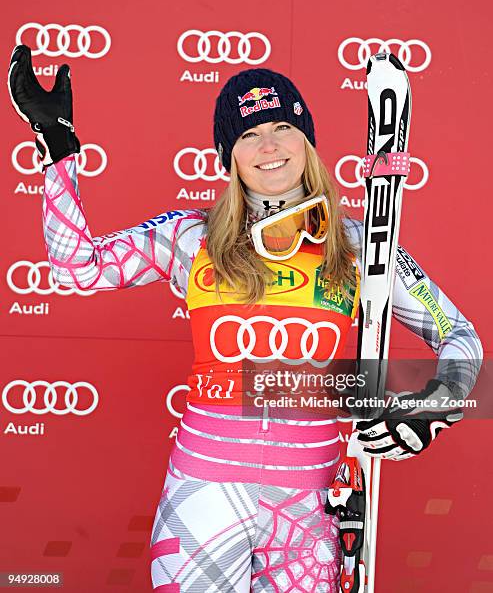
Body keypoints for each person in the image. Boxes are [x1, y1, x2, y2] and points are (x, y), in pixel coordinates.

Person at [8, 45, 482, 592]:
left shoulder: (362, 242)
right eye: (249, 133)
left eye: (284, 126)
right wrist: (59, 150)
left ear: (308, 142)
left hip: (309, 506)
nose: (270, 145)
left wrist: (439, 403)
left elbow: (459, 336)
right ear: (227, 155)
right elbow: (76, 269)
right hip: (204, 495)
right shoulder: (191, 236)